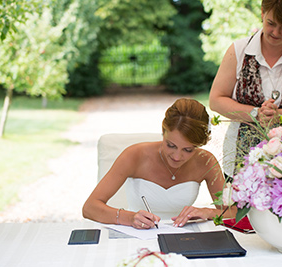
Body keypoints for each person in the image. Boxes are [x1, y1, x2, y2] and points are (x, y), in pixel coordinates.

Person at [209, 0, 282, 176]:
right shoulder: (239, 50)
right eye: (271, 23)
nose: (276, 32)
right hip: (240, 158)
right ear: (263, 13)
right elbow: (216, 100)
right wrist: (256, 114)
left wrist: (280, 115)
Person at [83, 98, 235, 229]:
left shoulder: (206, 161)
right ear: (163, 131)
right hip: (136, 234)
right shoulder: (134, 155)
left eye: (188, 150)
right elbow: (90, 208)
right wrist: (129, 218)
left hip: (182, 236)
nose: (177, 156)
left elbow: (234, 212)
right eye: (171, 145)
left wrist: (207, 212)